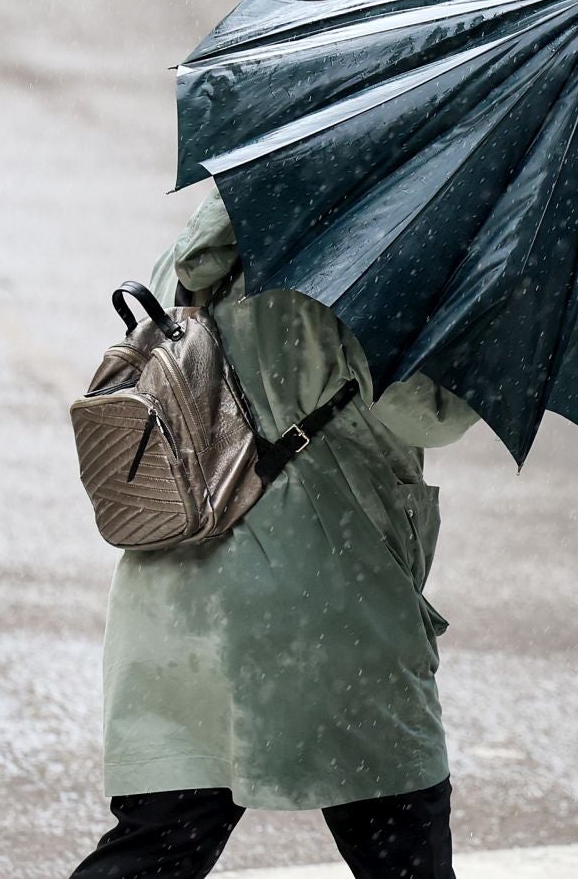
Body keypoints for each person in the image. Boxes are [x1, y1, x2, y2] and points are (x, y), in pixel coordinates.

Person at [69, 189, 476, 879]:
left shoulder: (198, 248)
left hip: (176, 606)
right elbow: (427, 414)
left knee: (157, 845)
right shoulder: (373, 262)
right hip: (327, 609)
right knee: (402, 845)